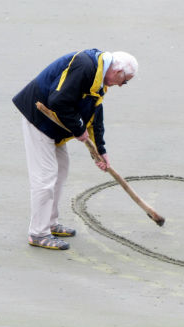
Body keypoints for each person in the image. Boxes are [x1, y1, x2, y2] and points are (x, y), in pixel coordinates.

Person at [12, 49, 138, 250]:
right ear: (117, 71)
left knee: (61, 170)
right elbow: (57, 101)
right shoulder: (85, 66)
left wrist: (100, 150)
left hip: (55, 126)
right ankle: (38, 233)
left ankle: (50, 223)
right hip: (38, 119)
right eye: (125, 81)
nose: (121, 85)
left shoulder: (99, 79)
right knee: (45, 177)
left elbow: (95, 114)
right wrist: (79, 130)